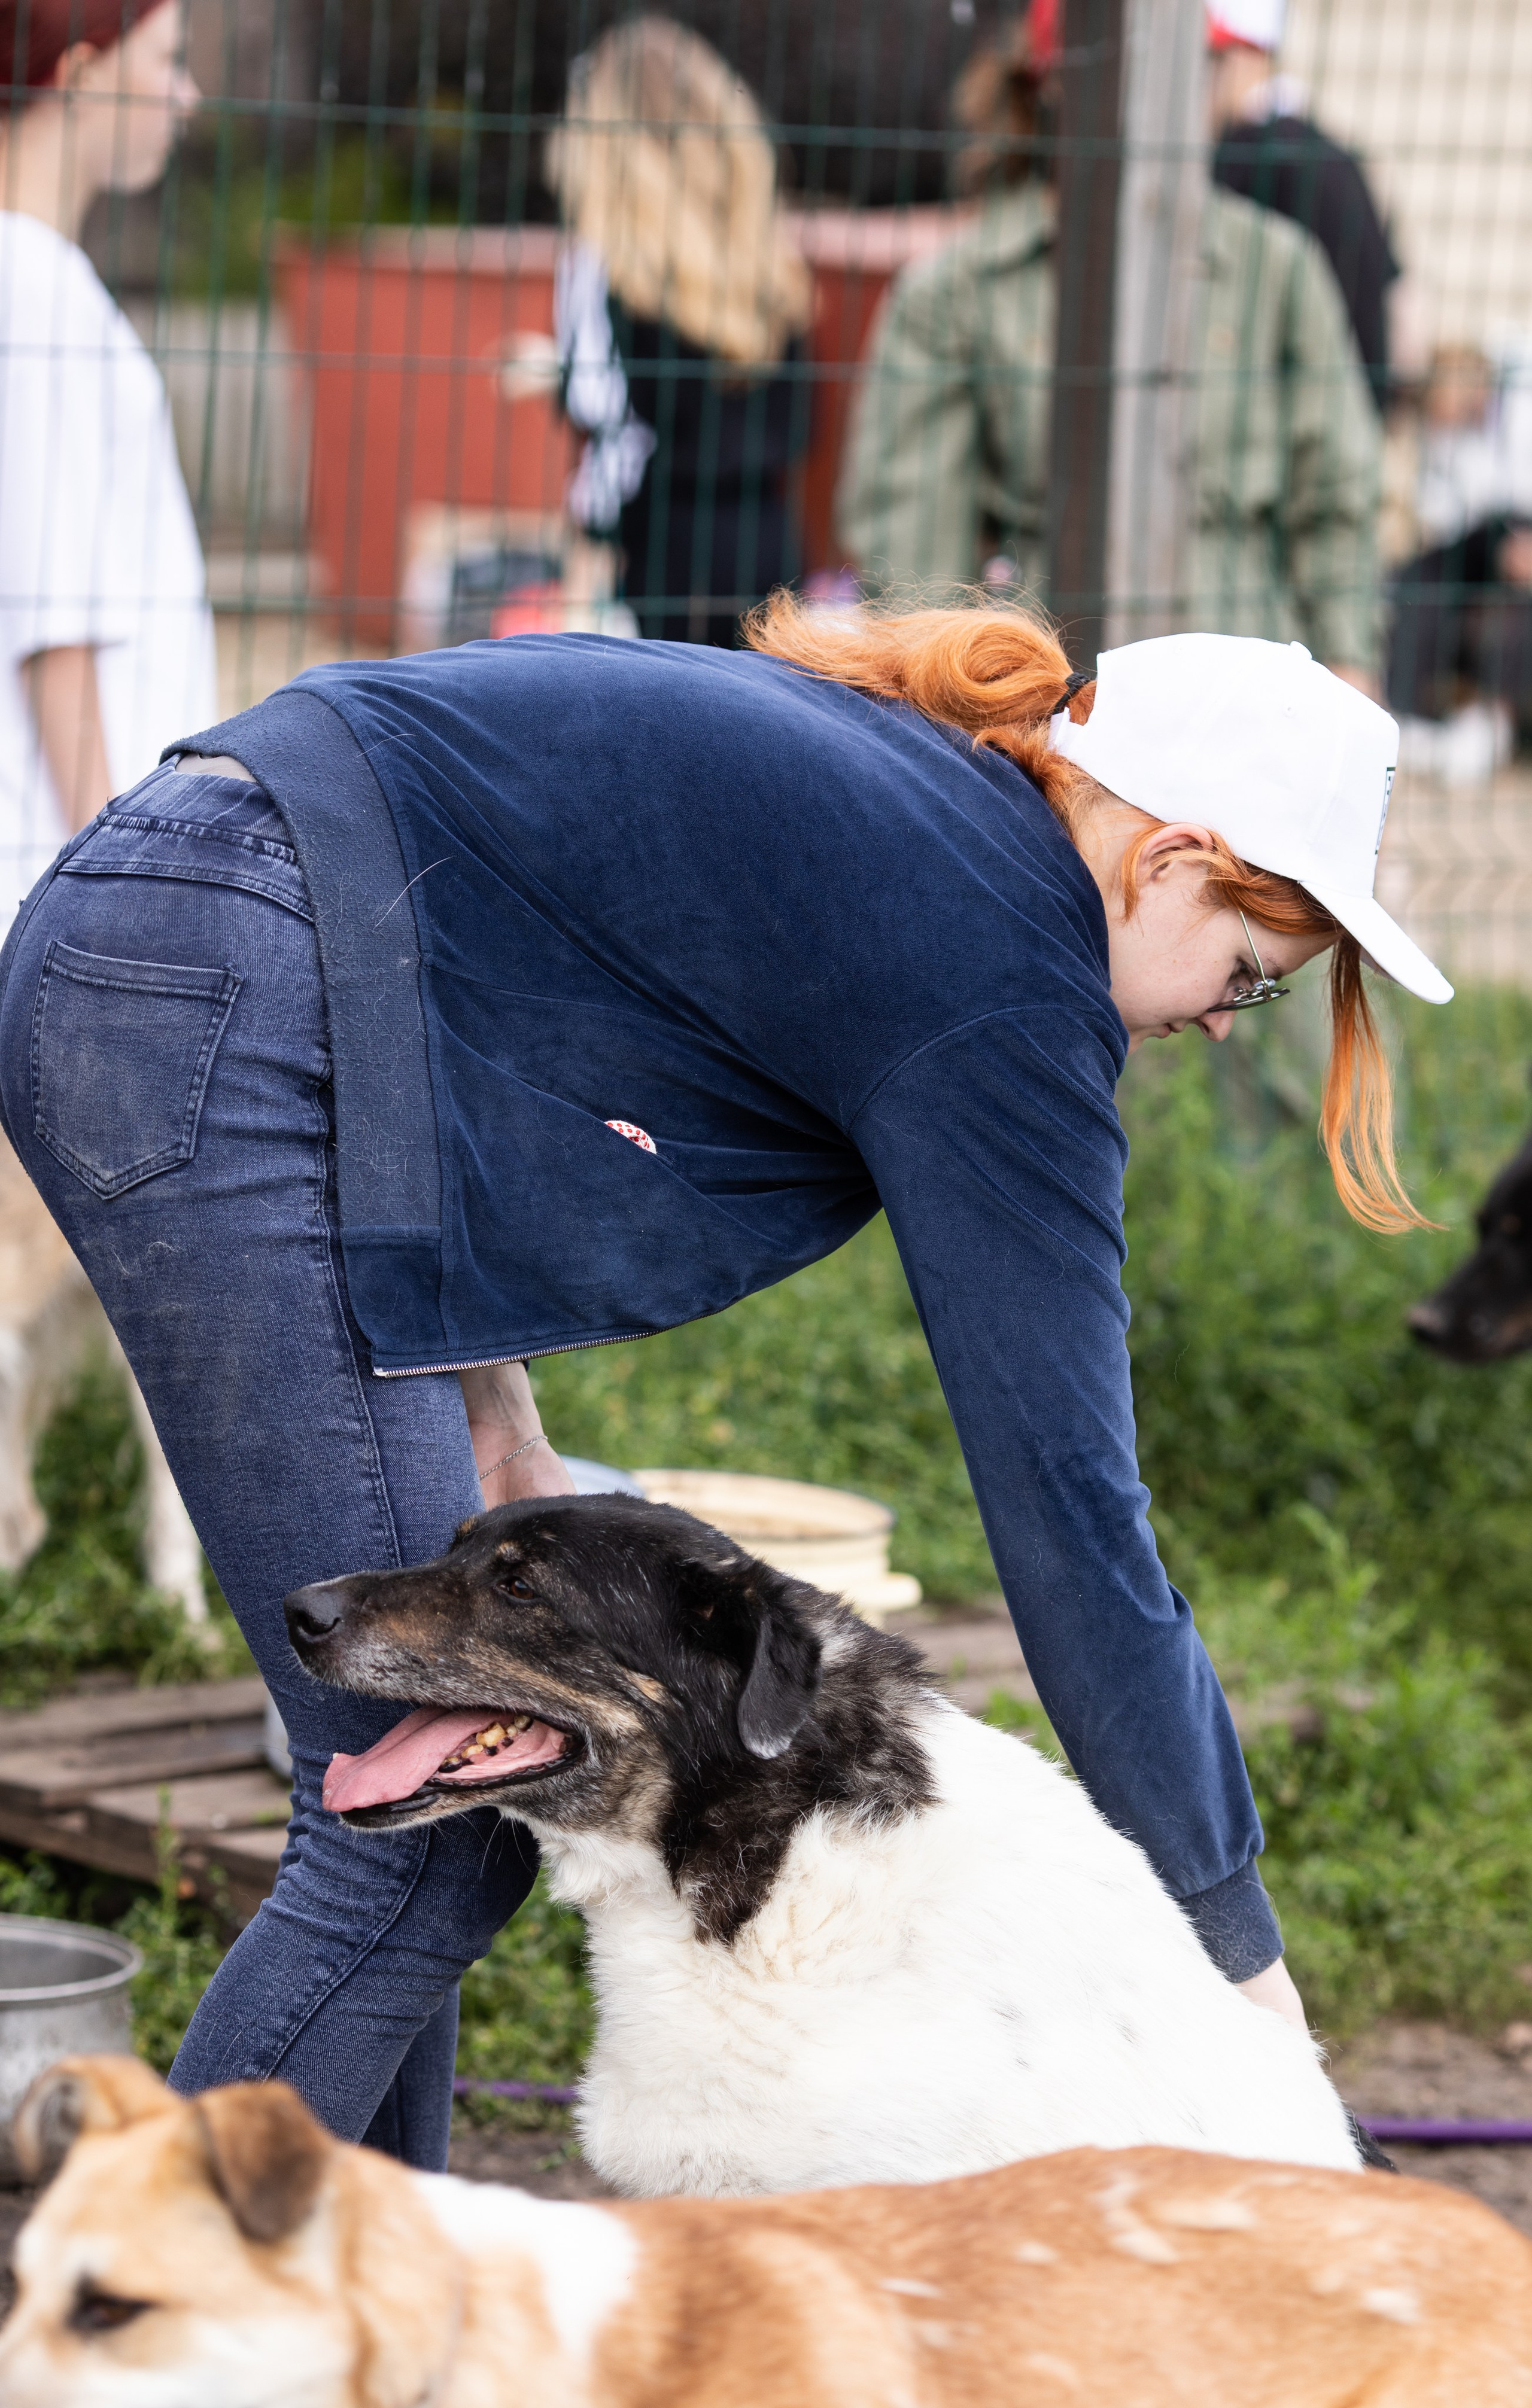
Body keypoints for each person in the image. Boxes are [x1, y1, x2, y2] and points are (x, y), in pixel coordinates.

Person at [0, 599, 1449, 2161]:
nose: (1231, 1022)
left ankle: (359, 2346)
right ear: (1172, 858)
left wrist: (496, 1408)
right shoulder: (1007, 965)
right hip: (211, 982)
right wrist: (1248, 1979)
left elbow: (468, 977)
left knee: (435, 1809)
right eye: (1254, 972)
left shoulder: (934, 815)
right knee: (415, 1838)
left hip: (197, 940)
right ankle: (108, 2335)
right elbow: (1078, 1536)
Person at [837, 7, 1384, 689]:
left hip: (1250, 700)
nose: (1186, 97)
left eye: (1204, 68)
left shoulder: (1281, 273)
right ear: (1058, 82)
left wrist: (1350, 676)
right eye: (1156, 72)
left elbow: (1337, 498)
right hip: (1047, 707)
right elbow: (913, 556)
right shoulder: (953, 293)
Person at [0, 0, 212, 915]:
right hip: (60, 873)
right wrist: (120, 892)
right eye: (167, 60)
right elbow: (52, 624)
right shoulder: (33, 283)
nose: (188, 95)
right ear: (81, 76)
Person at [546, 14, 812, 646]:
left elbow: (615, 429)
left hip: (660, 563)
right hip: (770, 554)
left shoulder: (607, 267)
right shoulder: (770, 262)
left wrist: (586, 567)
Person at [1208, 0, 1399, 415]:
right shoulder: (1336, 152)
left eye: (1212, 65)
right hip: (1356, 395)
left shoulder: (1248, 156)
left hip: (1300, 408)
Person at [1388, 342, 1532, 781]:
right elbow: (1445, 509)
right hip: (1486, 540)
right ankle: (1408, 718)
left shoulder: (1518, 408)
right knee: (1416, 579)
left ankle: (1492, 724)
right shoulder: (1452, 433)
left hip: (1516, 533)